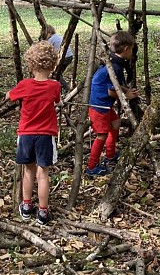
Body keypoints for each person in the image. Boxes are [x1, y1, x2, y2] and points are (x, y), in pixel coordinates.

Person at [6, 41, 61, 226]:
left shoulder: (24, 85)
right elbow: (57, 100)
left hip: (27, 134)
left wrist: (10, 93)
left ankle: (27, 205)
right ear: (53, 65)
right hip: (45, 135)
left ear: (30, 65)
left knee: (28, 171)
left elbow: (9, 96)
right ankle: (43, 211)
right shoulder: (55, 86)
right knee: (43, 173)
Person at [85, 30, 139, 177]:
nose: (132, 53)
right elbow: (111, 91)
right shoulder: (115, 66)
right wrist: (126, 95)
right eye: (132, 49)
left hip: (104, 105)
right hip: (99, 105)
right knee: (101, 135)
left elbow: (114, 84)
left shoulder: (114, 61)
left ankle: (110, 155)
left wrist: (126, 89)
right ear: (127, 49)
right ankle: (91, 166)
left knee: (115, 123)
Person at [45, 24, 73, 93]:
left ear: (49, 32)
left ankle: (67, 87)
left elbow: (47, 51)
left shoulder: (51, 40)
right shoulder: (58, 36)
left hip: (64, 58)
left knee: (55, 74)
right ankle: (59, 88)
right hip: (69, 56)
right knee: (58, 74)